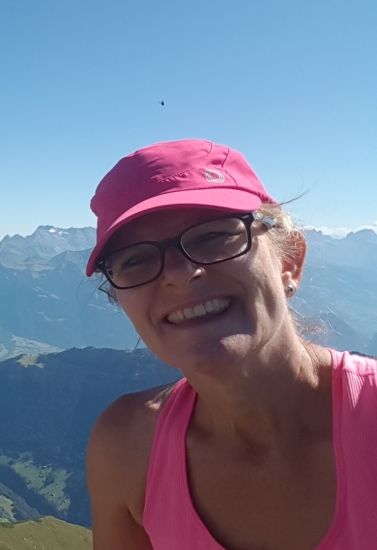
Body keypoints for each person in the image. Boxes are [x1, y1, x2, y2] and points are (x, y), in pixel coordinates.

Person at [84, 139, 377, 549]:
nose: (180, 274)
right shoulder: (126, 448)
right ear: (120, 299)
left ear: (289, 261)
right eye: (135, 259)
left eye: (212, 236)